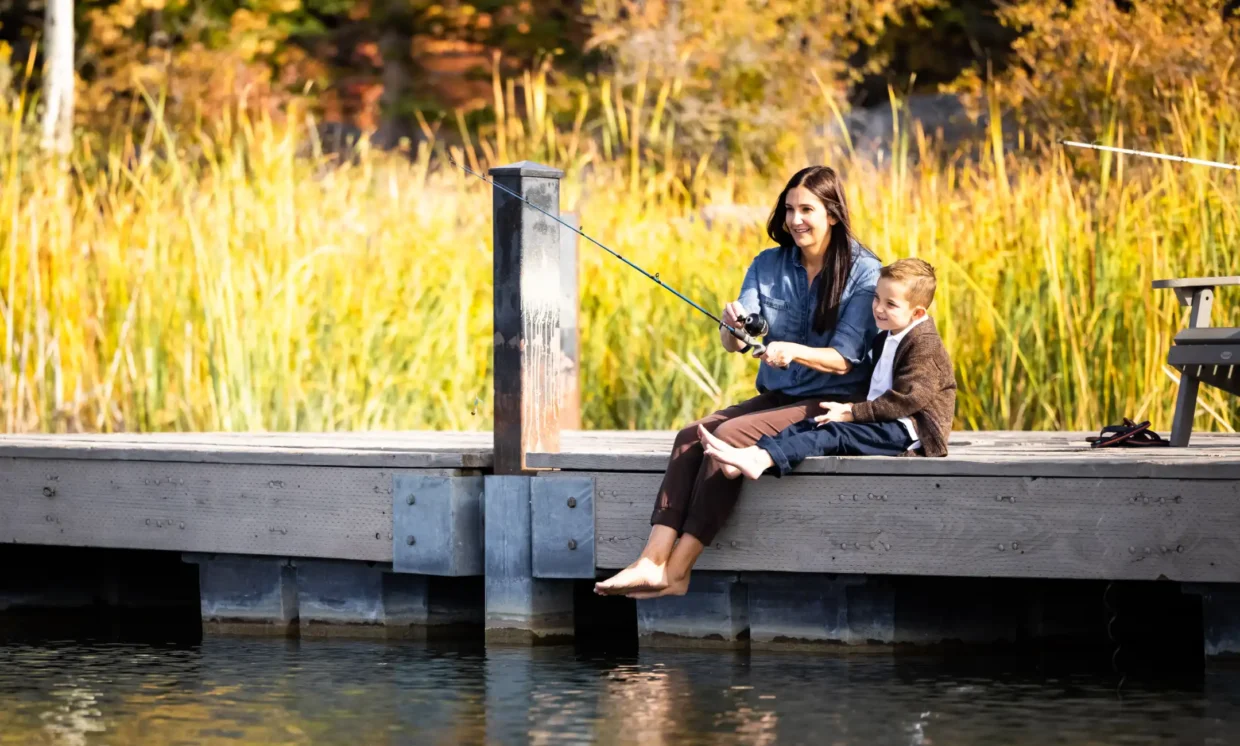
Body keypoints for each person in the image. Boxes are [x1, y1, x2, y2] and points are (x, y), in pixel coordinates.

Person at [593, 165, 882, 599]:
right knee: (691, 436)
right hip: (780, 395)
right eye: (789, 209)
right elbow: (735, 341)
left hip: (835, 403)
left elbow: (844, 359)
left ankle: (678, 569)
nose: (795, 220)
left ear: (833, 215)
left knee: (724, 436)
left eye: (807, 209)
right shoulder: (767, 264)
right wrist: (733, 327)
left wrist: (795, 350)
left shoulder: (864, 272)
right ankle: (651, 561)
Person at [700, 258, 957, 484]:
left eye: (891, 304)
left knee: (833, 433)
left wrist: (853, 413)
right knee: (812, 423)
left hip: (909, 431)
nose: (878, 308)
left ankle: (761, 460)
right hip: (884, 419)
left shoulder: (924, 345)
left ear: (917, 312)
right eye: (876, 298)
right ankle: (751, 456)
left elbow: (909, 399)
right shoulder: (889, 335)